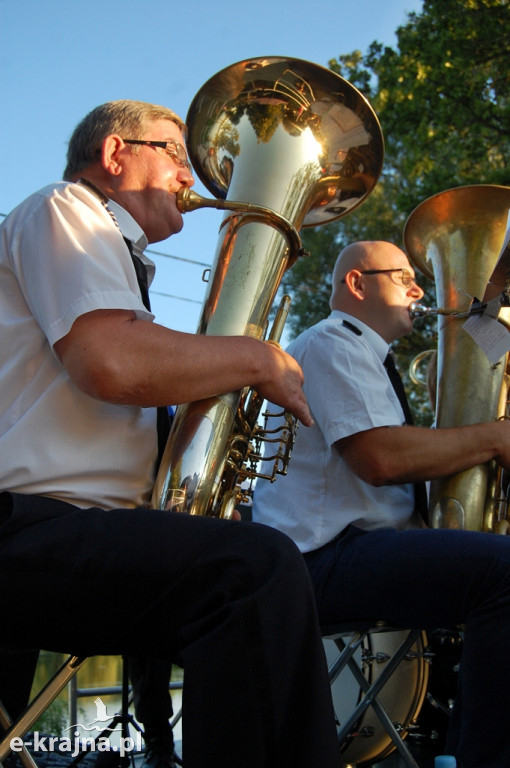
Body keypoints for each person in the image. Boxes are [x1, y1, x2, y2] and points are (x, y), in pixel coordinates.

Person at [0, 99, 342, 768]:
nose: (195, 178)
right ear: (114, 155)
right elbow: (113, 361)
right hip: (27, 528)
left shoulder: (115, 256)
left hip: (71, 532)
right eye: (176, 155)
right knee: (256, 570)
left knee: (243, 560)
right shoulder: (67, 209)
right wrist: (255, 358)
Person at [252, 240, 510, 768]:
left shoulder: (362, 354)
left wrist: (492, 312)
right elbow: (380, 458)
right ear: (357, 283)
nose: (420, 290)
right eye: (404, 277)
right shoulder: (332, 344)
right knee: (503, 575)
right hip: (322, 561)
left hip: (350, 553)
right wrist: (494, 438)